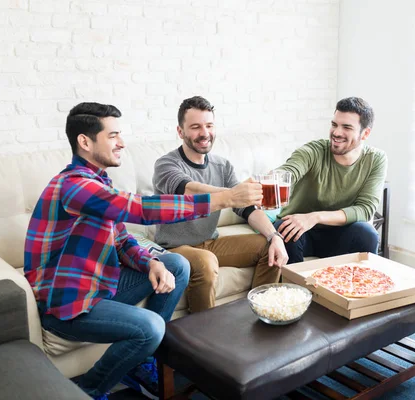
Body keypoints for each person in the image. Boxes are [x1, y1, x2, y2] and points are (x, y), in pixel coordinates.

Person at [24, 102, 260, 400]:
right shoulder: (74, 187)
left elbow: (122, 239)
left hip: (100, 286)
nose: (122, 142)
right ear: (85, 142)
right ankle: (88, 390)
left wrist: (150, 263)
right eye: (113, 136)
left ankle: (141, 358)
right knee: (150, 327)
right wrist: (224, 199)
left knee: (175, 264)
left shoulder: (98, 182)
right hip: (69, 302)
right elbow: (138, 208)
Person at [152, 96, 288, 313]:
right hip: (175, 247)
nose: (204, 133)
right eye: (195, 127)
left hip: (210, 242)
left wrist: (275, 236)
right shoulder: (166, 164)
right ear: (181, 132)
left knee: (268, 248)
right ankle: (203, 336)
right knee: (206, 263)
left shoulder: (222, 166)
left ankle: (260, 314)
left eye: (209, 125)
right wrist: (234, 194)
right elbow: (188, 190)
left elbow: (247, 209)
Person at [274, 97, 388, 263]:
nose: (336, 132)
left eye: (346, 127)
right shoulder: (314, 151)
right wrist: (271, 180)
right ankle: (296, 288)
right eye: (334, 124)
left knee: (367, 233)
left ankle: (361, 288)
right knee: (284, 230)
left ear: (365, 133)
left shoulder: (376, 159)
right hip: (301, 231)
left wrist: (315, 217)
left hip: (339, 233)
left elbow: (365, 209)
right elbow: (289, 171)